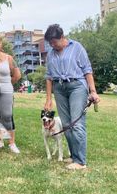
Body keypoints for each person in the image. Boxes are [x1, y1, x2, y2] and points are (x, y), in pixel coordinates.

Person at [43, 24, 100, 170]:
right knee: (66, 124)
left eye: (54, 42)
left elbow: (87, 70)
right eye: (50, 43)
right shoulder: (51, 54)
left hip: (77, 86)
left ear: (62, 37)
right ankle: (74, 156)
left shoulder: (77, 47)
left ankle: (80, 161)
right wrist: (49, 99)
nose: (52, 45)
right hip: (59, 88)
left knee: (77, 122)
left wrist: (93, 91)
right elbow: (49, 77)